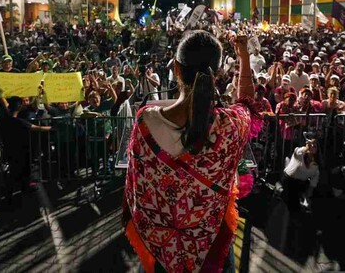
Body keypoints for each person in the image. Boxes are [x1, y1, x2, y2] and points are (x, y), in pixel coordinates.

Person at [124, 31, 253, 272]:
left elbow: (136, 186)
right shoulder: (229, 127)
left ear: (176, 69)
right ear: (218, 74)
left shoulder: (145, 123)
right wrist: (243, 54)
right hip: (212, 253)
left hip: (160, 252)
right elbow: (247, 103)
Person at [0, 95, 52, 197]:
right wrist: (52, 128)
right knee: (22, 169)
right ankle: (17, 189)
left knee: (13, 169)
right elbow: (36, 128)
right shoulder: (18, 122)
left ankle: (10, 190)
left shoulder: (2, 121)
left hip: (8, 148)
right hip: (20, 149)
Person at [281, 133, 320, 212]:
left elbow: (312, 185)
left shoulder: (315, 167)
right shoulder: (300, 153)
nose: (312, 146)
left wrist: (307, 199)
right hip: (288, 180)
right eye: (311, 144)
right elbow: (299, 151)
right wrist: (308, 146)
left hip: (300, 184)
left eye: (315, 146)